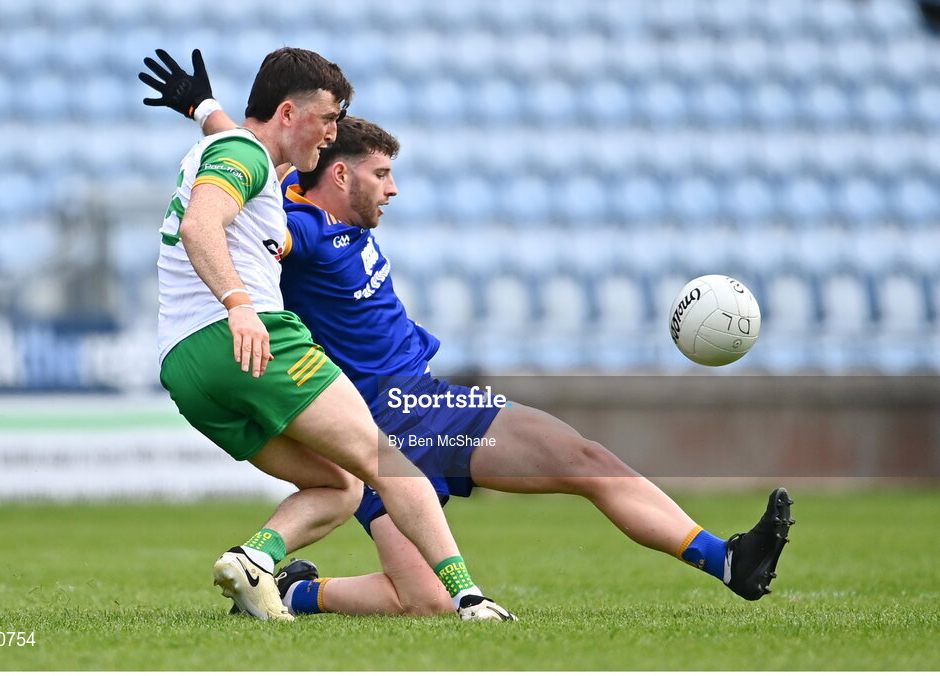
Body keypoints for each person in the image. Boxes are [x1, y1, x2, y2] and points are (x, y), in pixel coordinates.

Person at [141, 50, 794, 617]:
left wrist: (204, 107)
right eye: (379, 174)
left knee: (432, 589)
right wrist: (237, 300)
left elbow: (254, 155)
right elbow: (246, 216)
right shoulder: (299, 228)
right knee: (574, 472)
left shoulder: (294, 192)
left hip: (389, 417)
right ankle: (712, 563)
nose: (392, 190)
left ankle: (292, 592)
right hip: (403, 410)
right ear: (338, 174)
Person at [143, 47, 514, 622]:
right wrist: (240, 305)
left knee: (339, 485)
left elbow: (243, 149)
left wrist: (201, 107)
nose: (333, 132)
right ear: (289, 113)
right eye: (328, 118)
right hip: (248, 336)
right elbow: (200, 224)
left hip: (185, 366)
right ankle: (469, 598)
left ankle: (253, 560)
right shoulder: (245, 153)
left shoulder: (240, 152)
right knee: (384, 461)